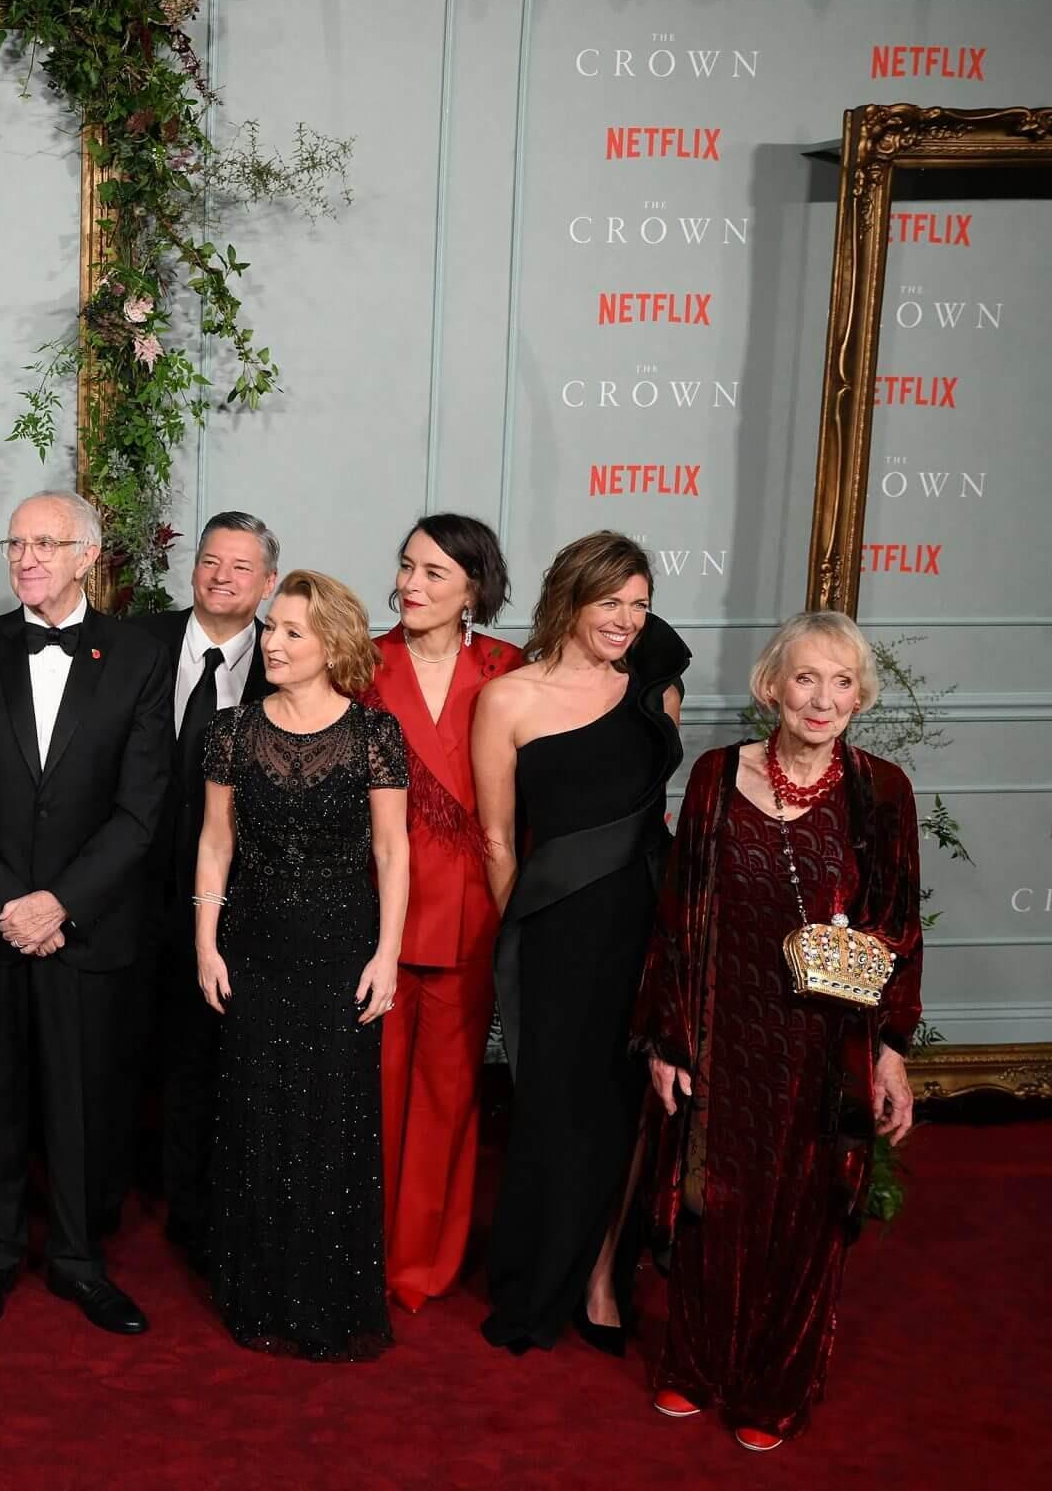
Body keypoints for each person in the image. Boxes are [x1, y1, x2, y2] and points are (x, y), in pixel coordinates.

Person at [636, 611, 922, 1452]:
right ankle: (696, 1364)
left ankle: (776, 1385)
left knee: (802, 1212)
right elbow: (677, 918)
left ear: (860, 696)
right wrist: (668, 1039)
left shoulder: (882, 791)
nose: (822, 699)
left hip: (825, 1045)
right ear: (772, 687)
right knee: (711, 1198)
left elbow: (899, 931)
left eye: (842, 682)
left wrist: (891, 1053)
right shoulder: (716, 776)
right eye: (806, 678)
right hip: (725, 1026)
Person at [0, 490, 172, 1336]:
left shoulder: (138, 657)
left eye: (45, 543)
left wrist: (60, 902)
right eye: (15, 544)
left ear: (88, 557)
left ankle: (77, 1260)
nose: (26, 558)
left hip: (87, 924)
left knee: (84, 1102)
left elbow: (142, 807)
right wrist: (11, 904)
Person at [474, 530, 687, 1355]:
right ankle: (535, 1280)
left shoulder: (654, 694)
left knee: (628, 1106)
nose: (627, 620)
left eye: (640, 605)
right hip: (554, 934)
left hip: (641, 924)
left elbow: (655, 820)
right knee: (552, 1110)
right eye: (611, 602)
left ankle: (602, 1278)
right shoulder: (508, 699)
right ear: (570, 597)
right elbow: (498, 838)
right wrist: (523, 933)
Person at [193, 569, 408, 1360]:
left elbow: (393, 850)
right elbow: (215, 843)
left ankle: (326, 1297)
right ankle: (258, 1294)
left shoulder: (375, 733)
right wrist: (205, 943)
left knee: (332, 1119)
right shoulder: (230, 731)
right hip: (253, 943)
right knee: (257, 1115)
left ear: (333, 644)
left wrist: (388, 955)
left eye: (292, 632)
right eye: (271, 628)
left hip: (341, 946)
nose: (273, 644)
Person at [362, 514, 524, 1313]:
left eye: (433, 573)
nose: (411, 585)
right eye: (406, 567)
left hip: (470, 914)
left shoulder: (506, 669)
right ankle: (359, 1250)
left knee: (447, 1098)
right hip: (373, 914)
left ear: (473, 589)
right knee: (371, 1093)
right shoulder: (362, 661)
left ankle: (422, 1263)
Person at [133, 509, 279, 1273]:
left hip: (237, 897)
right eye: (211, 561)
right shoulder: (137, 644)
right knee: (125, 1046)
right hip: (129, 887)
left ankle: (196, 1205)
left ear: (268, 582)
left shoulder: (286, 662)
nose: (222, 578)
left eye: (241, 567)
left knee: (209, 1052)